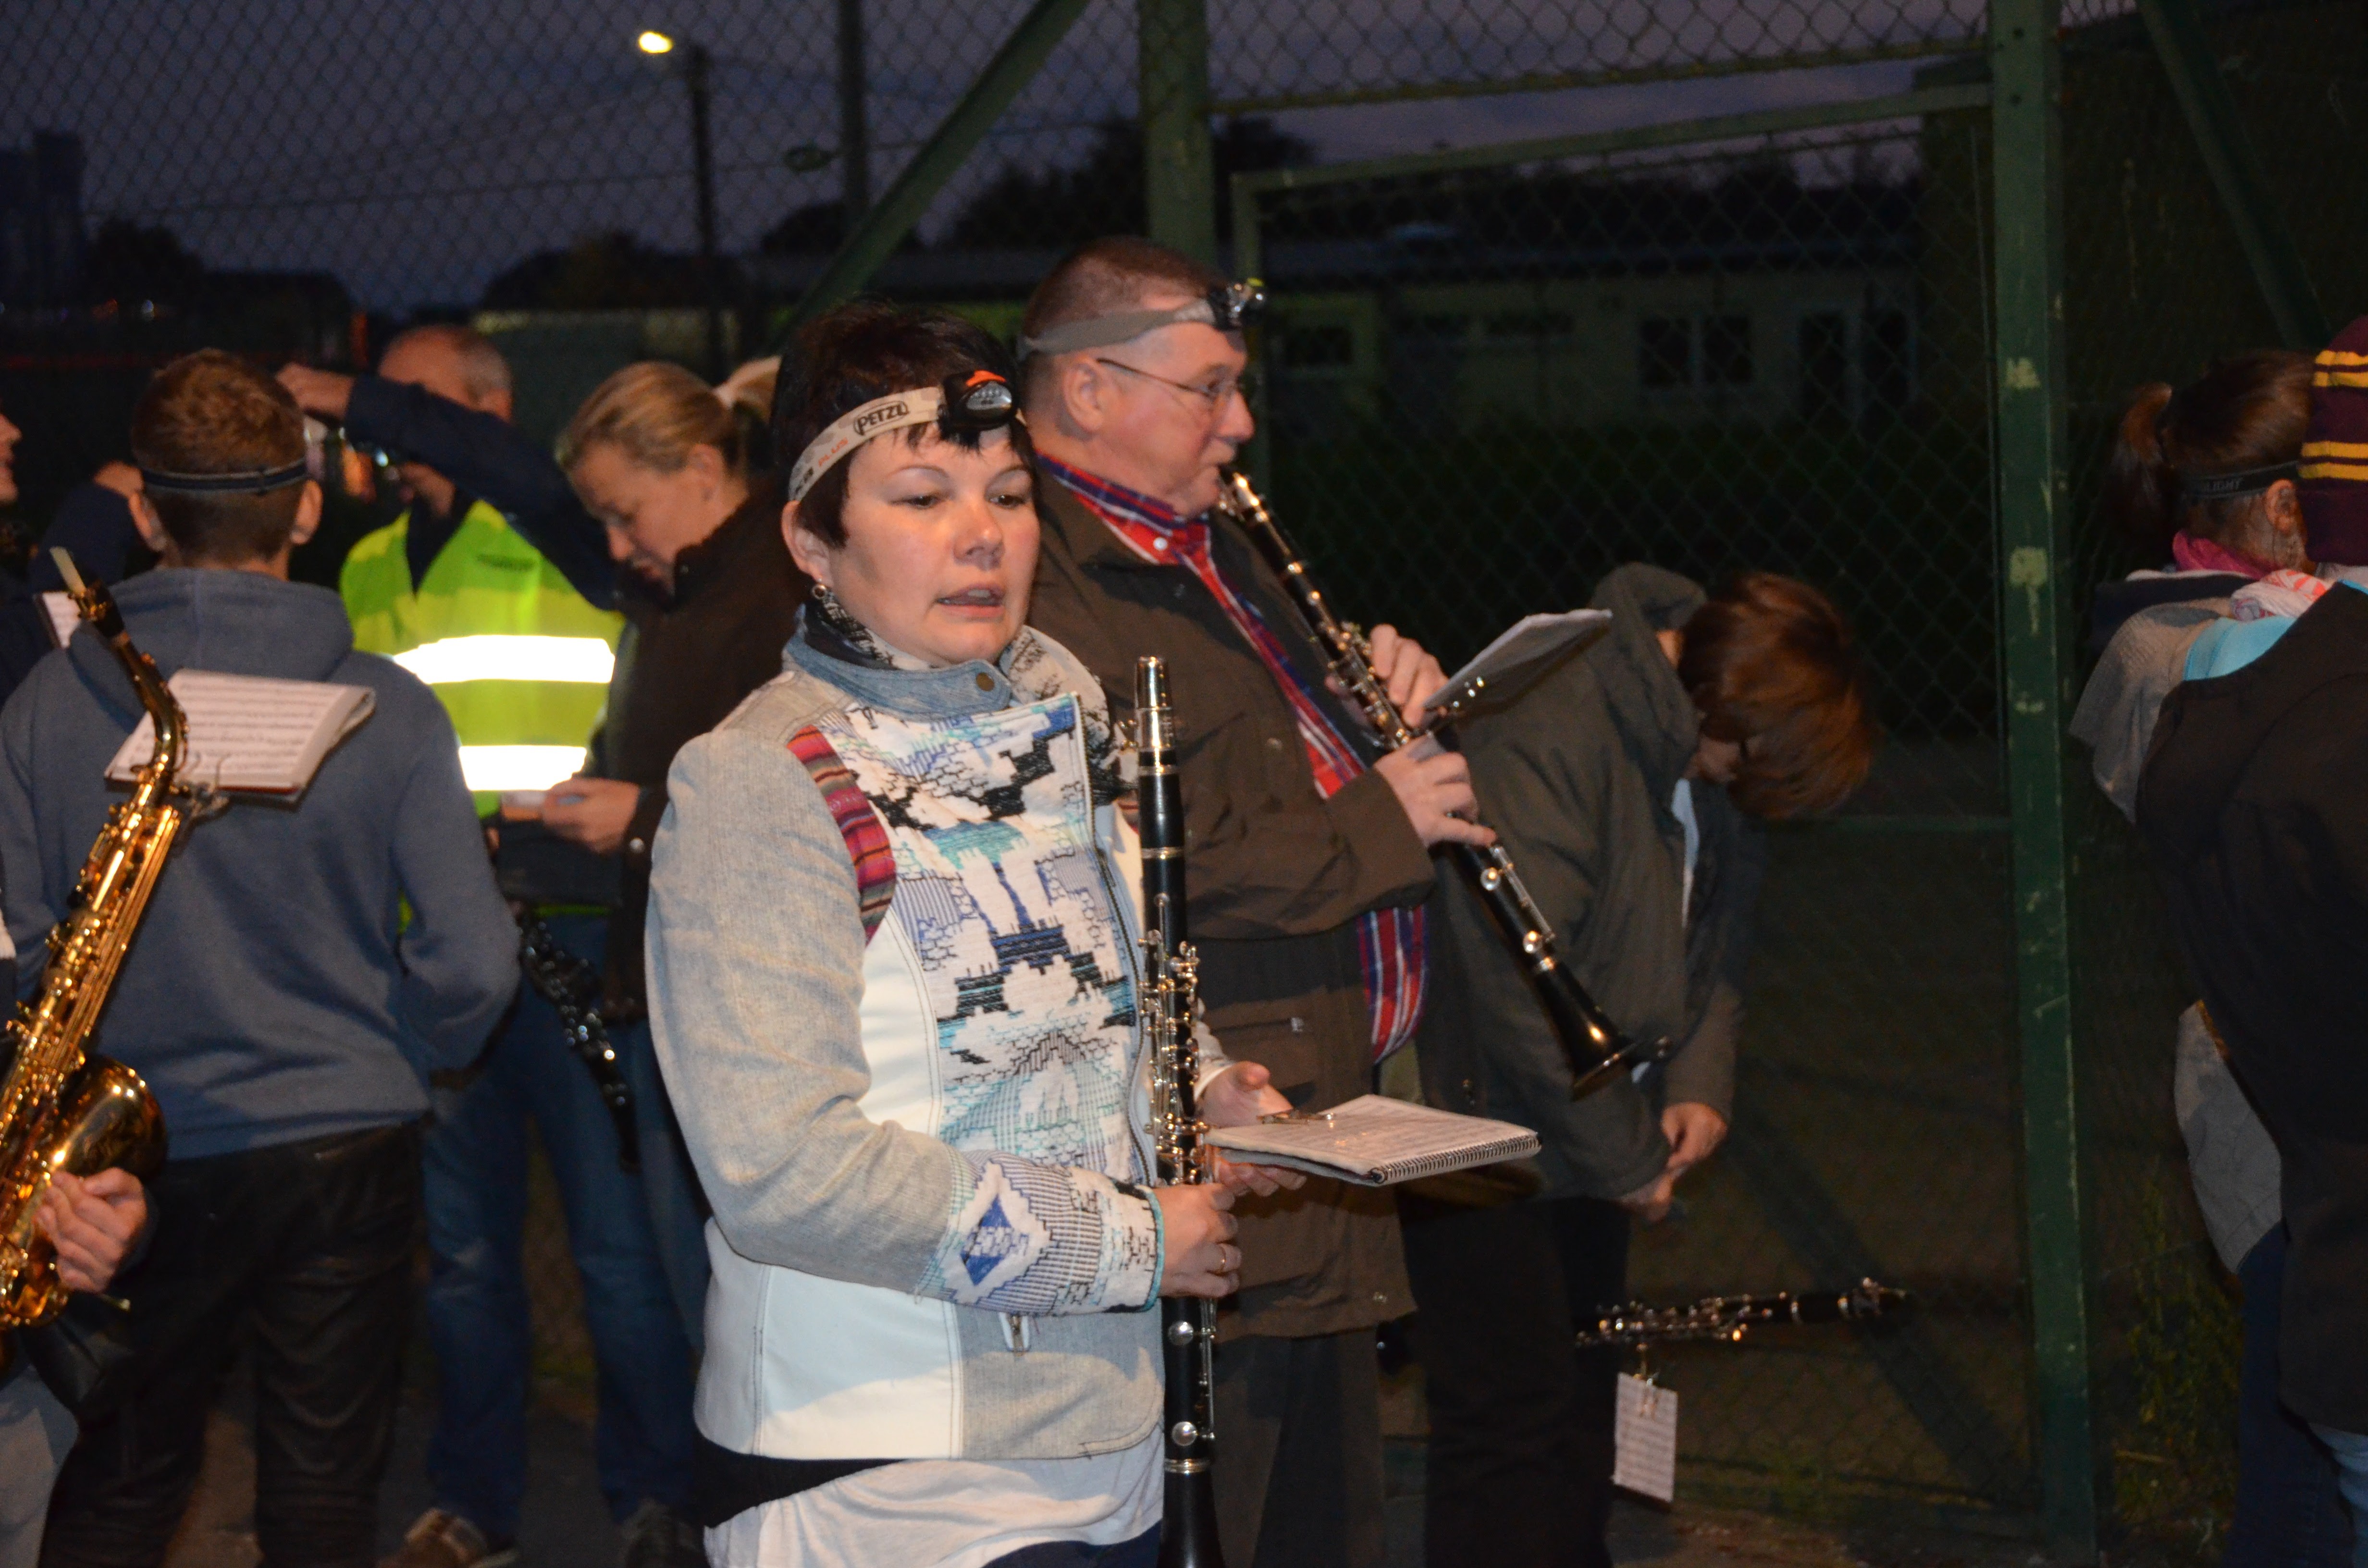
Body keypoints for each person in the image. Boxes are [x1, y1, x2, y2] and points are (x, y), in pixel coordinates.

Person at [644, 300, 1301, 1566]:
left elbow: (1126, 971)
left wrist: (1212, 1085)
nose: (981, 537)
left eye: (1007, 493)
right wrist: (1136, 1240)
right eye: (922, 497)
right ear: (813, 540)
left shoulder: (1058, 706)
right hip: (884, 1465)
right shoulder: (757, 779)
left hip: (1106, 1431)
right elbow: (782, 1172)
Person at [0, 350, 518, 1567]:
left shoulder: (44, 707)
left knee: (122, 1483)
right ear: (305, 504)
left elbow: (20, 952)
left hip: (119, 1170)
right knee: (323, 1494)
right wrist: (403, 1052)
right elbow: (475, 960)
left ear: (142, 511)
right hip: (344, 1142)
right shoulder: (392, 706)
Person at [1017, 236, 1472, 1568]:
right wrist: (1384, 819)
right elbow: (1135, 860)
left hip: (1328, 1115)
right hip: (1229, 1128)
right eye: (1208, 389)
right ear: (1092, 389)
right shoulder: (1044, 585)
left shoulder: (1217, 546)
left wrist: (1381, 708)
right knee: (1233, 1520)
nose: (1242, 423)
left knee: (1331, 1524)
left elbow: (1283, 772)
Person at [278, 331, 710, 1568]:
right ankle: (476, 1506)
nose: (397, 440)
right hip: (428, 963)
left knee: (619, 1257)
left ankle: (651, 1499)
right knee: (462, 1266)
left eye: (425, 411)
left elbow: (507, 472)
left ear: (489, 413)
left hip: (573, 940)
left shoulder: (568, 540)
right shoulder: (358, 568)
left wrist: (351, 391)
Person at [1401, 565, 1874, 1568]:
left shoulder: (1700, 743)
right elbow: (1520, 986)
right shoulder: (1558, 727)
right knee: (1510, 1427)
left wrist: (1700, 1081)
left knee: (1580, 1409)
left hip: (1588, 1125)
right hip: (1477, 1125)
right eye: (1737, 761)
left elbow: (1718, 928)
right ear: (1718, 703)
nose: (1730, 785)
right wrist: (1626, 1163)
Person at [2070, 352, 2349, 1568]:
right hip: (2283, 1129)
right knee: (2296, 1477)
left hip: (2308, 1121)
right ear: (2289, 506)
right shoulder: (2174, 654)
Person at [2138, 314, 2368, 1563]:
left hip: (2316, 1177)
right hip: (2283, 1156)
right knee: (2291, 1494)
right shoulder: (2264, 688)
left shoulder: (2241, 673)